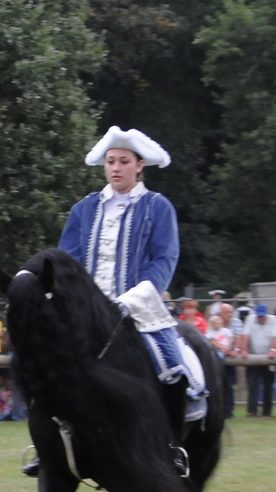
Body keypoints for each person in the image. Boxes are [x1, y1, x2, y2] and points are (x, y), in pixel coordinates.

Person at [48, 126, 207, 474]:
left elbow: (164, 259)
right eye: (110, 162)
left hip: (141, 309)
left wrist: (131, 300)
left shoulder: (158, 207)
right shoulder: (84, 209)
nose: (115, 168)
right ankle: (46, 449)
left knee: (173, 366)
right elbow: (66, 261)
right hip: (87, 314)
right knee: (48, 366)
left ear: (139, 166)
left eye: (123, 161)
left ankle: (172, 446)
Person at [244, 304, 275, 417]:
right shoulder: (250, 319)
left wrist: (274, 349)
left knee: (268, 385)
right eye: (259, 316)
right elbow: (245, 335)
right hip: (253, 357)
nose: (261, 318)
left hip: (268, 358)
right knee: (252, 384)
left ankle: (267, 412)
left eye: (263, 316)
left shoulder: (273, 319)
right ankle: (251, 411)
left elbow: (275, 337)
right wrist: (244, 349)